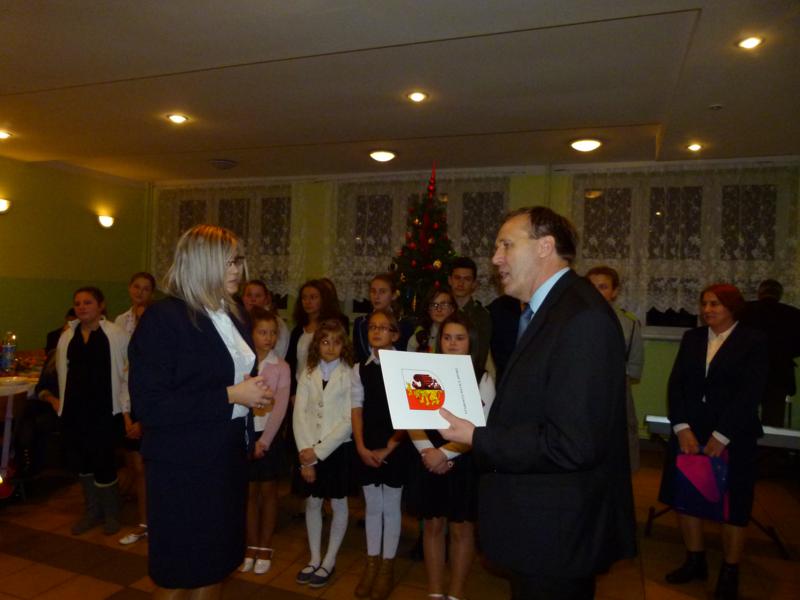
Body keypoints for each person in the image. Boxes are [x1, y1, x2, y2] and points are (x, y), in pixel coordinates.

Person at [439, 206, 636, 599]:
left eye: (506, 245)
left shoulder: (582, 318)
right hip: (539, 526)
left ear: (545, 247)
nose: (495, 259)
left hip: (556, 534)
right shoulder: (552, 310)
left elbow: (573, 442)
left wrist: (479, 437)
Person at [129, 224, 273, 599]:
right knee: (180, 572)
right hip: (183, 466)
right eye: (228, 262)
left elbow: (223, 376)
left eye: (238, 261)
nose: (237, 270)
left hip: (225, 459)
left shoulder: (234, 314)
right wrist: (231, 395)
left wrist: (250, 393)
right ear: (201, 264)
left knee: (216, 564)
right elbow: (150, 406)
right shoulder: (164, 319)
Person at [658, 283, 768, 600]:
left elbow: (751, 393)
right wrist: (681, 427)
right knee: (687, 495)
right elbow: (676, 384)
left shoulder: (753, 341)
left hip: (734, 434)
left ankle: (730, 570)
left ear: (732, 307)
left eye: (715, 304)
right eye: (704, 303)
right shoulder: (692, 338)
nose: (707, 310)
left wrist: (722, 435)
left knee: (734, 503)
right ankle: (695, 560)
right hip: (690, 432)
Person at [408, 312, 495, 600]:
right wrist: (428, 453)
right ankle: (435, 592)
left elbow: (481, 428)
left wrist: (444, 454)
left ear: (471, 342)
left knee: (461, 529)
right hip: (428, 455)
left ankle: (455, 594)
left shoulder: (482, 378)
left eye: (460, 338)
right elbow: (410, 417)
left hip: (464, 459)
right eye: (447, 337)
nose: (453, 343)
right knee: (432, 526)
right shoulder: (425, 373)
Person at [37, 287, 130, 536]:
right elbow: (61, 372)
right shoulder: (68, 336)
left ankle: (111, 513)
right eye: (77, 303)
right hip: (76, 411)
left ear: (101, 305)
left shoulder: (116, 334)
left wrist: (126, 409)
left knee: (104, 461)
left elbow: (126, 375)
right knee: (83, 462)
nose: (81, 307)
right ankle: (92, 511)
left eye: (88, 302)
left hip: (105, 410)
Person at [351, 309, 410, 600]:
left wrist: (390, 446)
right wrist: (361, 446)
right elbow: (356, 409)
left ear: (395, 334)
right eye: (372, 327)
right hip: (368, 443)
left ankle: (387, 566)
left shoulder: (405, 366)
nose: (376, 332)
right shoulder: (360, 368)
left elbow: (410, 412)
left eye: (383, 327)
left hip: (395, 443)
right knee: (373, 506)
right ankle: (371, 563)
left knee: (391, 506)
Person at [293, 319, 354, 589]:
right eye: (325, 341)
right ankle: (314, 557)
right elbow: (299, 415)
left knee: (339, 504)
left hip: (336, 450)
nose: (330, 347)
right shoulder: (308, 373)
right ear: (317, 344)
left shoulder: (349, 374)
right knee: (313, 503)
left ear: (344, 346)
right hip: (307, 448)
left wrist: (317, 453)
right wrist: (305, 453)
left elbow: (348, 420)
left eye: (336, 342)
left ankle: (329, 559)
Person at [241, 308, 291, 575]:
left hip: (268, 437)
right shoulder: (242, 362)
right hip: (245, 434)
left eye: (272, 333)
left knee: (269, 492)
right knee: (249, 493)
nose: (268, 338)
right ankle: (250, 546)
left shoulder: (281, 366)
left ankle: (265, 546)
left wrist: (265, 441)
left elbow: (280, 408)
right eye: (262, 332)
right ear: (251, 334)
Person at [586, 265, 645, 471]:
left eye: (603, 287)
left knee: (622, 434)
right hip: (581, 387)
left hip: (617, 387)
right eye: (591, 287)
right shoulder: (570, 318)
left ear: (614, 291)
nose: (596, 292)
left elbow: (635, 363)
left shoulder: (629, 323)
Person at [115, 271, 156, 546]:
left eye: (146, 288)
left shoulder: (157, 326)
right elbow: (122, 372)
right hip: (127, 402)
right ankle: (144, 521)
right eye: (136, 287)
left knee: (146, 469)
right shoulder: (121, 322)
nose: (140, 292)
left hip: (149, 406)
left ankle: (149, 522)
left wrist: (142, 418)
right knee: (134, 466)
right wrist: (127, 415)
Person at [739, 279, 800, 427]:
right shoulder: (794, 314)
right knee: (774, 420)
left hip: (747, 371)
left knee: (743, 417)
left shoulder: (744, 310)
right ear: (779, 294)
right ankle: (771, 442)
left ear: (760, 293)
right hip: (779, 373)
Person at [352, 273, 414, 363]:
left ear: (393, 295)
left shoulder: (404, 325)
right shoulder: (360, 323)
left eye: (382, 292)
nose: (376, 296)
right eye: (373, 291)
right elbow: (358, 357)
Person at [448, 257, 492, 372]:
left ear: (474, 284)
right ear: (450, 280)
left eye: (467, 279)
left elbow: (480, 355)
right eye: (457, 278)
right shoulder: (442, 310)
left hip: (470, 373)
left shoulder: (482, 316)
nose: (461, 283)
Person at [242, 279, 291, 359]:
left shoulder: (277, 323)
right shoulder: (239, 321)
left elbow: (279, 353)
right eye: (249, 295)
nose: (253, 299)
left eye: (258, 296)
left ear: (266, 299)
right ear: (243, 298)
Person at [407, 288, 456, 353]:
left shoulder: (462, 336)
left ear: (452, 308)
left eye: (444, 304)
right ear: (428, 310)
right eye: (434, 305)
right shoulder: (418, 339)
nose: (439, 309)